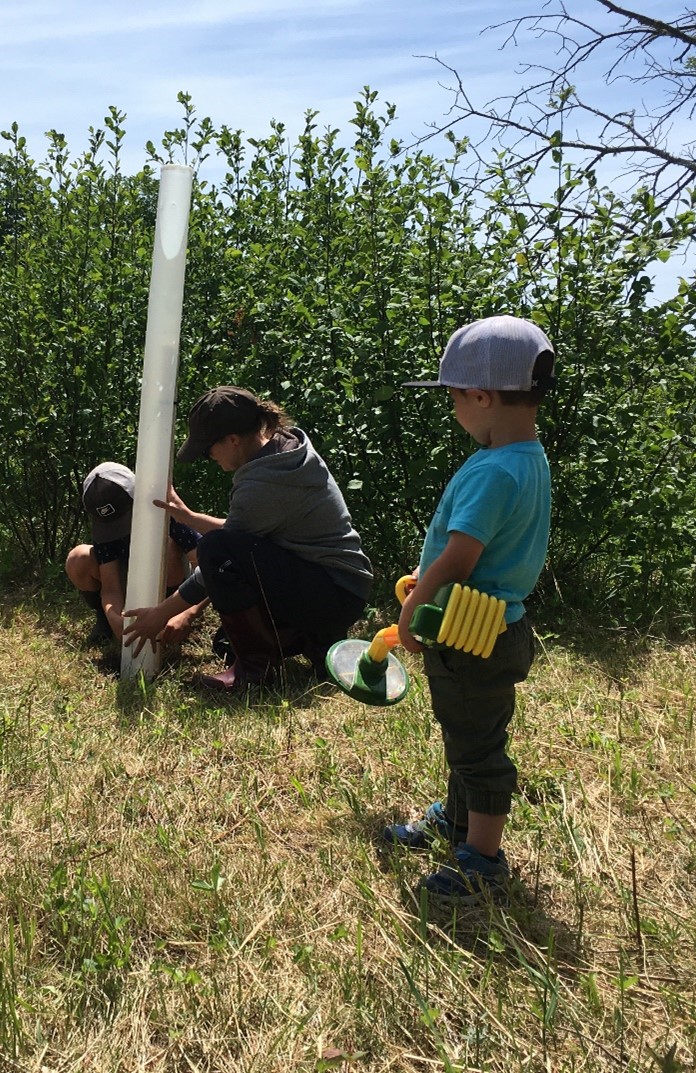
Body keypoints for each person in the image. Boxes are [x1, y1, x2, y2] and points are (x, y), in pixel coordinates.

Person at [385, 315, 555, 911]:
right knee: (468, 732)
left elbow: (460, 557)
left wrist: (414, 605)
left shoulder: (491, 469)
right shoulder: (529, 458)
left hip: (468, 634)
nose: (454, 409)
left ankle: (482, 860)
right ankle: (455, 819)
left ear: (480, 396)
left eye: (454, 396)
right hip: (499, 624)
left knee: (478, 747)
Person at [122, 386, 373, 690]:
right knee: (227, 642)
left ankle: (255, 675)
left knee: (213, 549)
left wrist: (160, 614)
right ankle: (315, 642)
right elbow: (245, 533)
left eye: (207, 448)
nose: (207, 456)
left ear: (233, 440)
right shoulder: (284, 451)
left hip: (331, 593)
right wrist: (187, 516)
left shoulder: (264, 484)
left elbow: (224, 554)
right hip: (339, 586)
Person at [65, 461, 206, 647]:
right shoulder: (104, 530)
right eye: (111, 526)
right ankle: (104, 623)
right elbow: (111, 588)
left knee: (166, 545)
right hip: (129, 578)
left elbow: (207, 567)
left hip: (175, 587)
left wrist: (188, 613)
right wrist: (112, 616)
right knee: (78, 558)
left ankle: (168, 615)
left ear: (137, 497)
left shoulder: (165, 510)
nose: (119, 530)